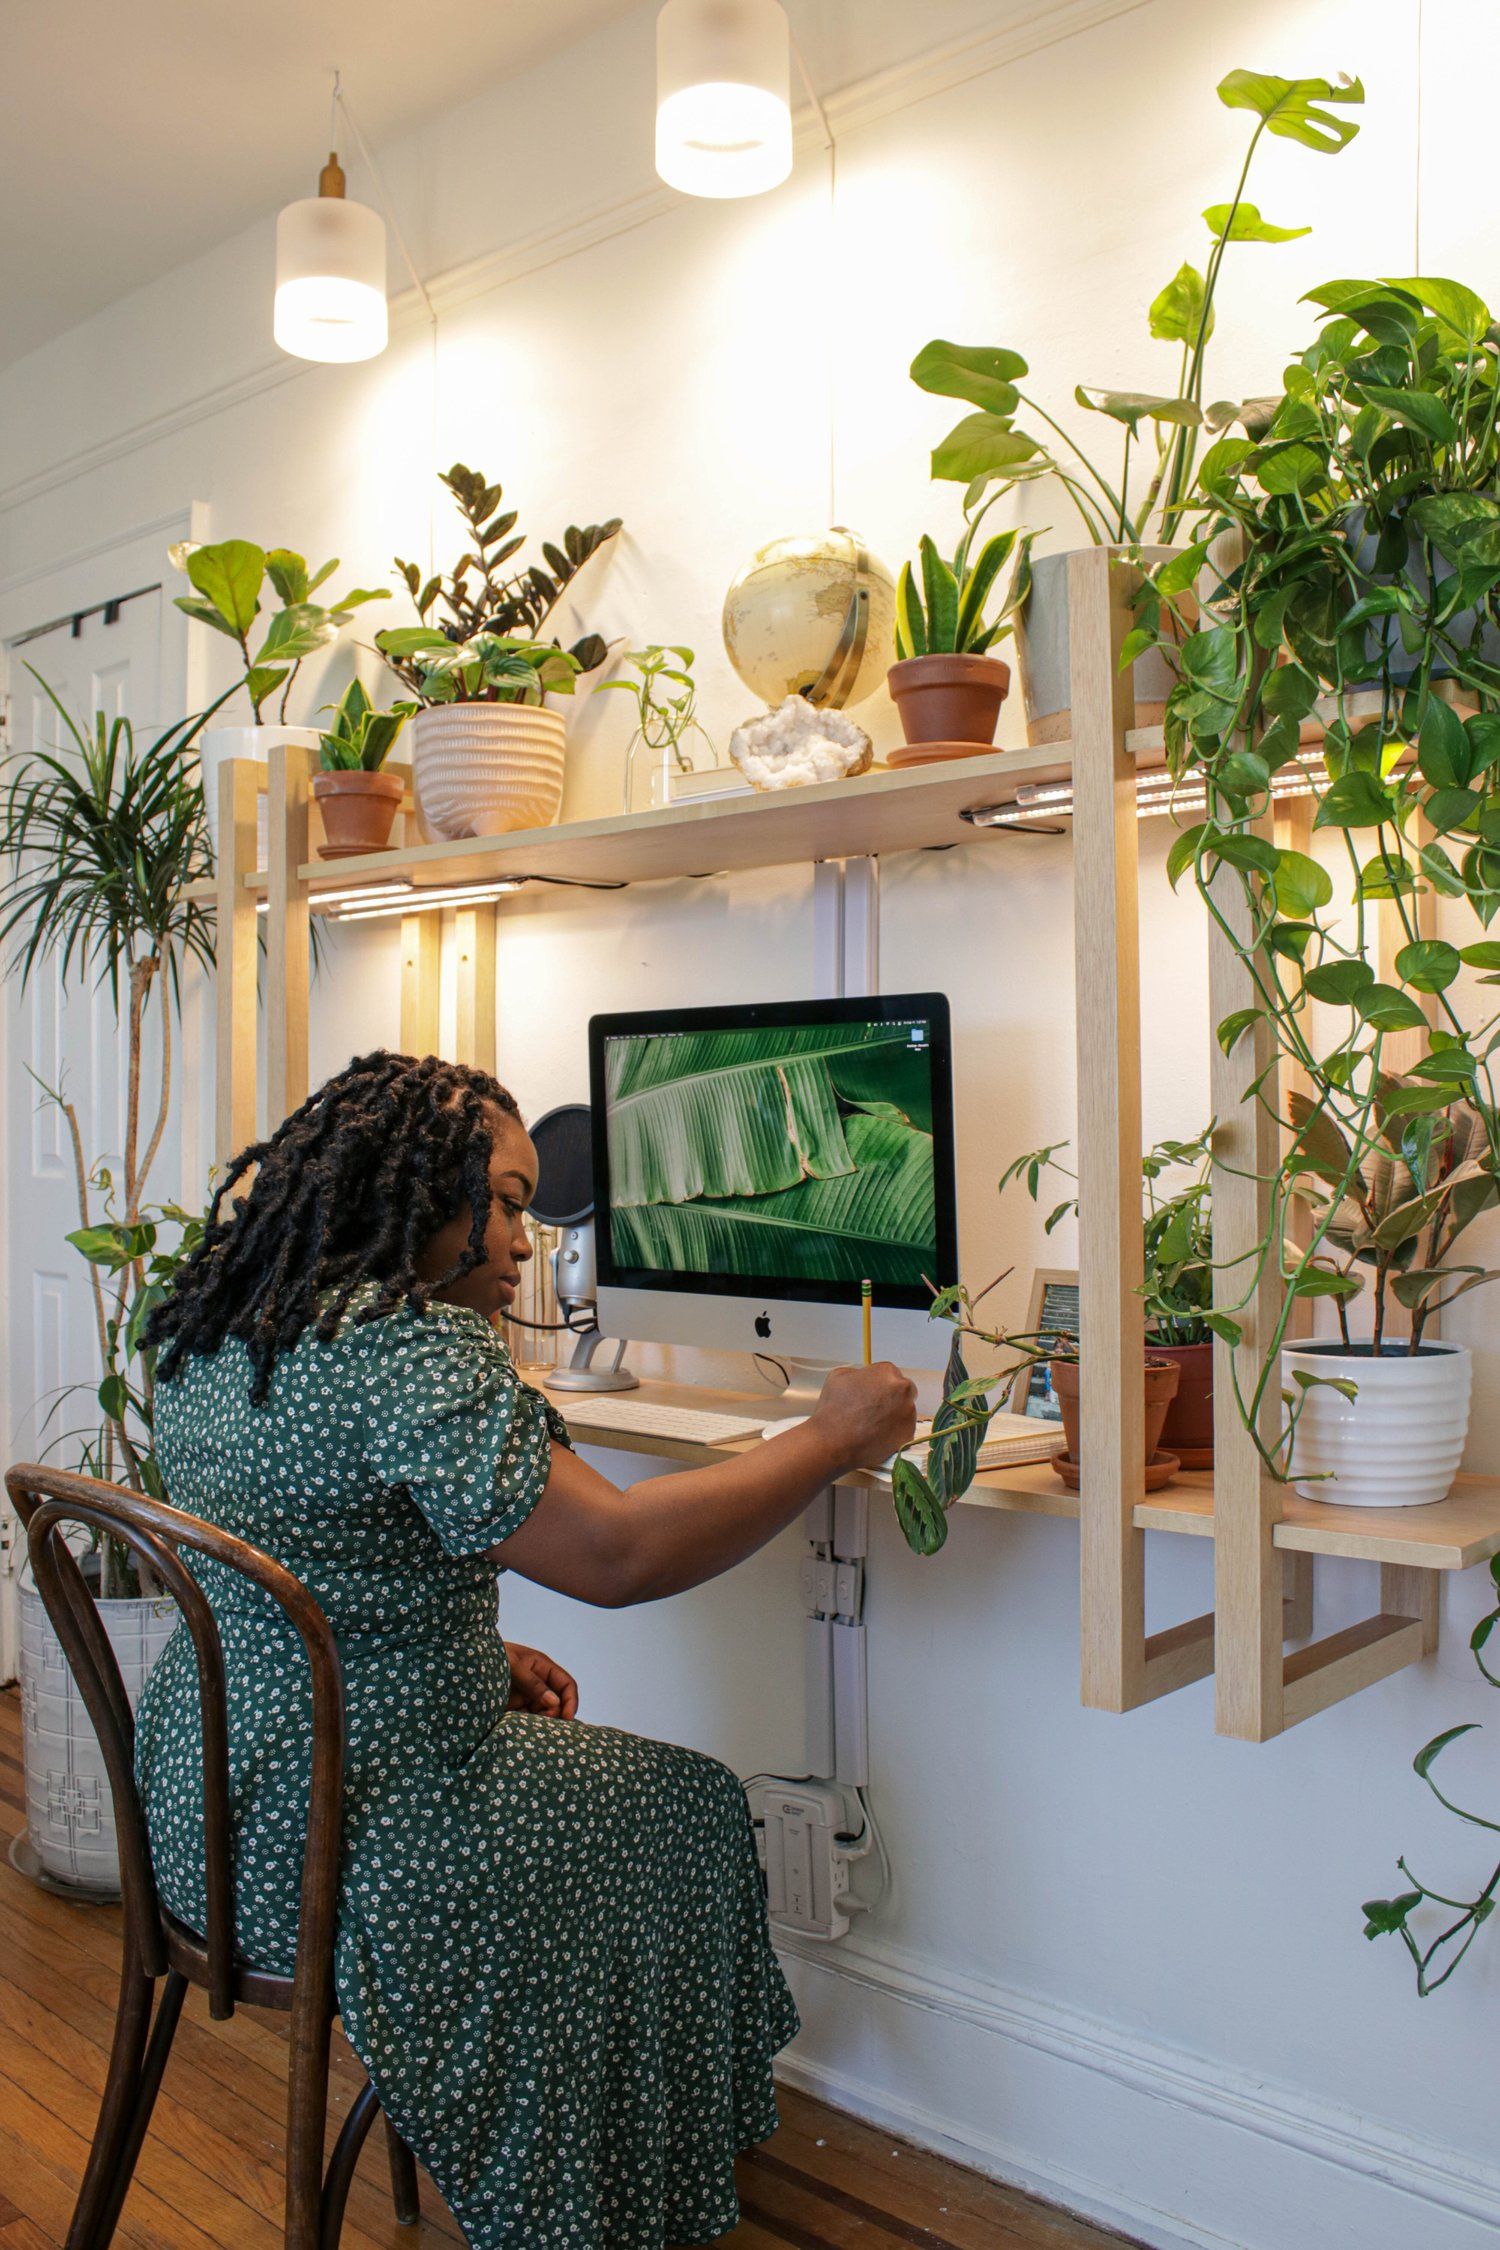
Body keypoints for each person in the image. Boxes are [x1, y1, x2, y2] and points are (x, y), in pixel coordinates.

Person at [135, 1050, 916, 2250]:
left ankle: (585, 2156)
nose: (522, 1239)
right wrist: (829, 1436)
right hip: (344, 1840)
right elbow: (615, 1561)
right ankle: (597, 2196)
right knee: (689, 1804)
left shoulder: (224, 1318)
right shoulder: (412, 1352)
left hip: (204, 1811)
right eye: (501, 1201)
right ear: (413, 1191)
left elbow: (299, 1565)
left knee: (626, 1800)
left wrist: (464, 1657)